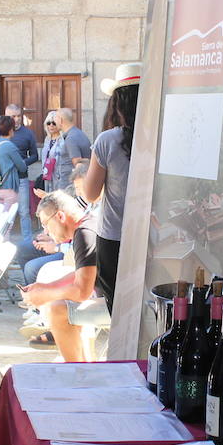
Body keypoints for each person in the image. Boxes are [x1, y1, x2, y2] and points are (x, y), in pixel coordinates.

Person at [22, 192, 110, 362]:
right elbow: (82, 274)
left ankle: (76, 371)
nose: (46, 231)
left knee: (57, 309)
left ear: (61, 216)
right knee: (65, 305)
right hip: (112, 301)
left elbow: (82, 292)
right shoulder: (88, 225)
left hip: (117, 308)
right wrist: (45, 287)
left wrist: (46, 295)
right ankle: (85, 367)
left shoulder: (84, 234)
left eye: (46, 224)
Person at [84, 63, 140, 312]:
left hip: (115, 237)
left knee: (119, 311)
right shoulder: (162, 135)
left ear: (118, 102)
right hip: (153, 237)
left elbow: (90, 193)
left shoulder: (107, 140)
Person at [0, 115, 32, 241]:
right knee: (7, 221)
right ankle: (3, 248)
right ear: (11, 129)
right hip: (9, 188)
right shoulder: (9, 146)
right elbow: (22, 167)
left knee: (1, 218)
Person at [54, 107, 91, 193]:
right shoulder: (78, 133)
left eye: (55, 118)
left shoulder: (71, 138)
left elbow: (77, 163)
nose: (54, 122)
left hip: (69, 187)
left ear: (60, 120)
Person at [38, 108, 63, 191]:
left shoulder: (63, 140)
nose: (51, 125)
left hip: (59, 177)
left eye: (54, 123)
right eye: (49, 123)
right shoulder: (47, 139)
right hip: (47, 176)